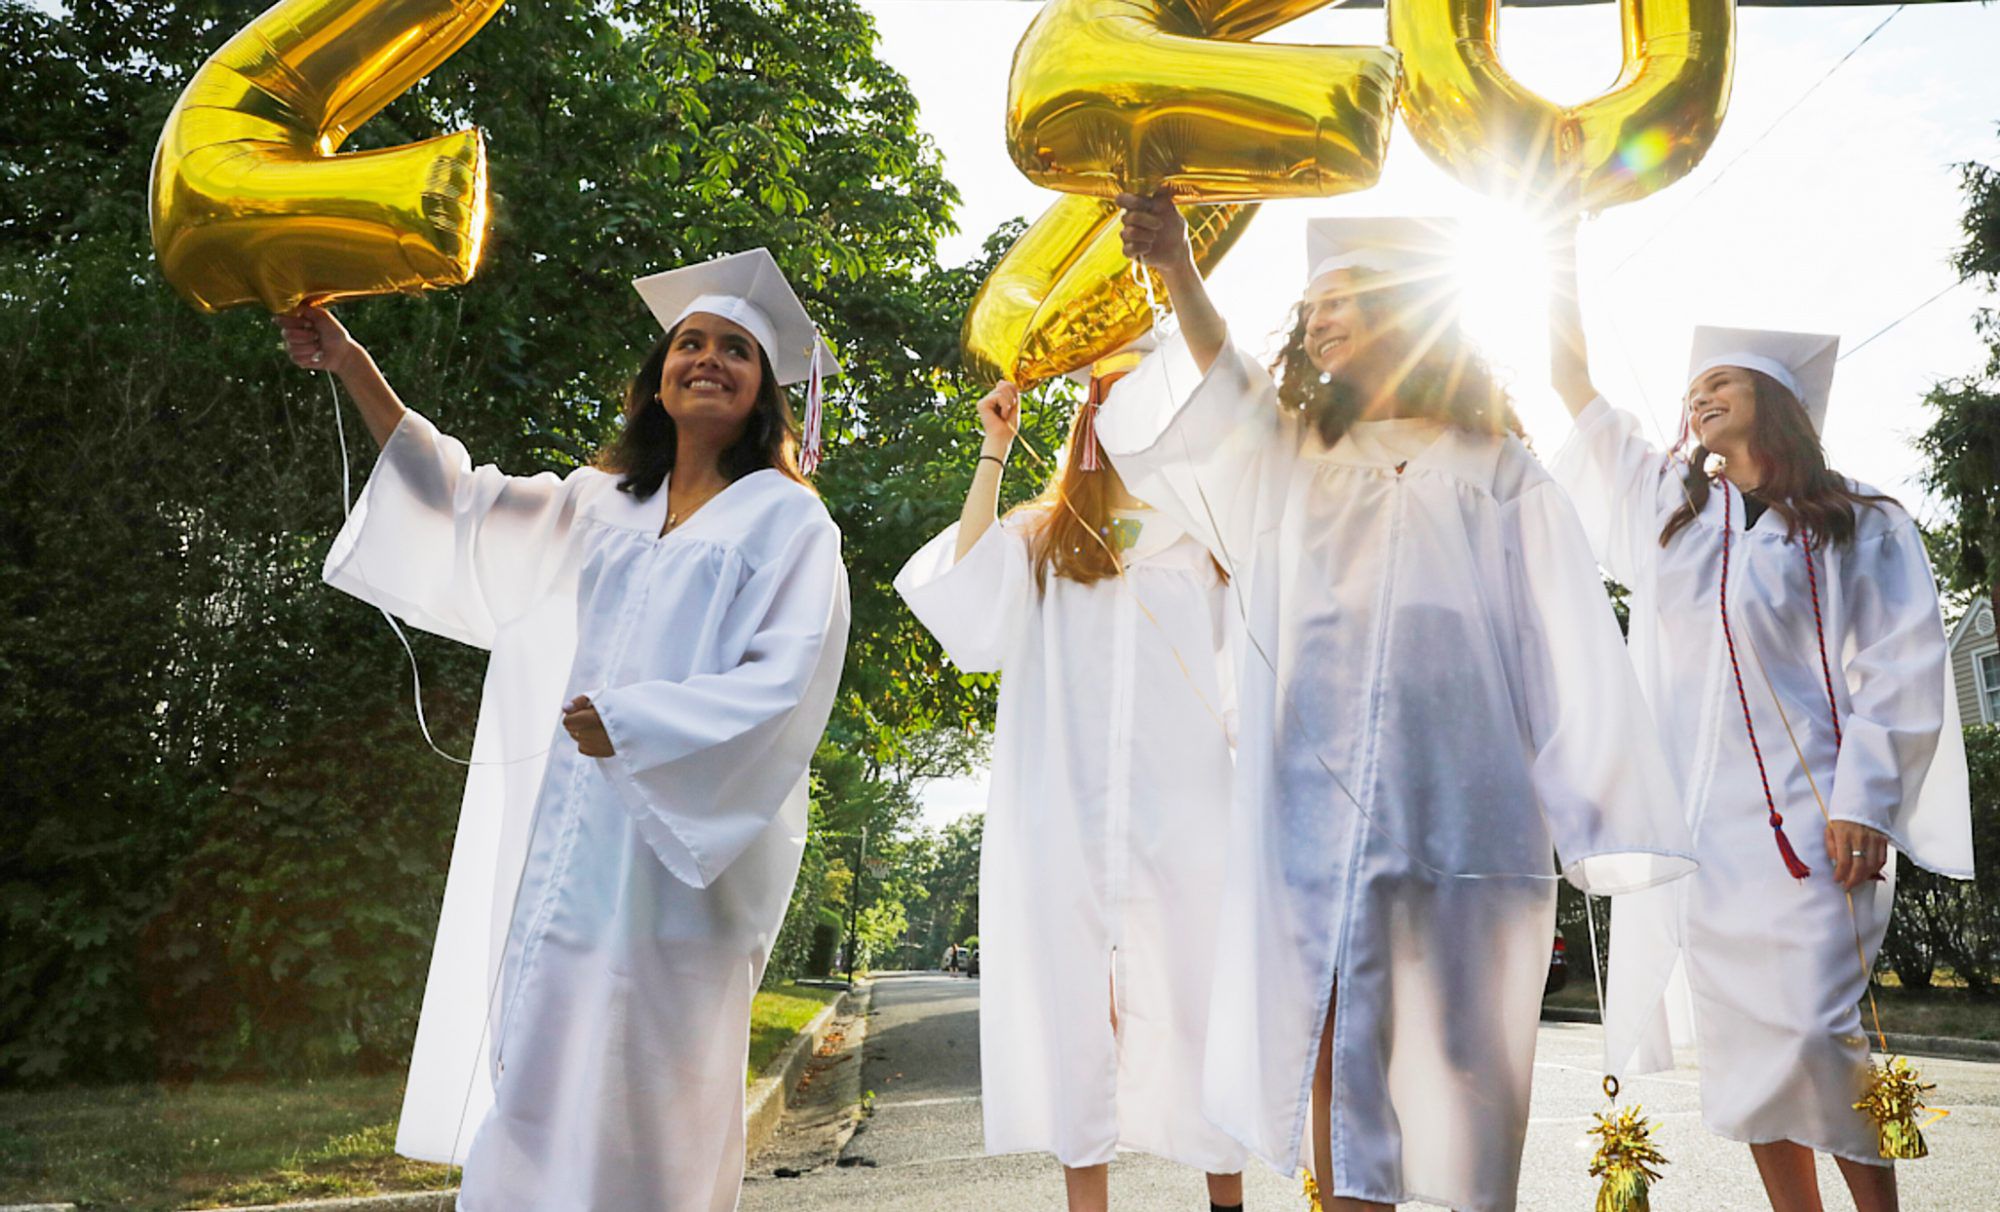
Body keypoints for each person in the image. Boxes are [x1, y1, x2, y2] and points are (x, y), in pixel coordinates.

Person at [1102, 195, 1697, 1212]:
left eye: (1344, 297)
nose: (1318, 317)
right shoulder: (1290, 453)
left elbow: (1562, 643)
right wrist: (1179, 270)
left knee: (1465, 1064)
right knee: (1335, 1051)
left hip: (1468, 810)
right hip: (1313, 807)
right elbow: (1225, 389)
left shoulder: (1498, 469)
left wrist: (1592, 808)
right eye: (1311, 303)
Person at [275, 248, 852, 1212]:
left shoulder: (789, 524)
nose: (707, 360)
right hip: (572, 847)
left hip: (679, 862)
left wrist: (635, 724)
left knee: (646, 1082)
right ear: (659, 379)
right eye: (689, 344)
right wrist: (349, 362)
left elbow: (787, 682)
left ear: (764, 394)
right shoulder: (602, 501)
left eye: (735, 352)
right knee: (543, 1058)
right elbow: (457, 498)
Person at [1548, 245, 1975, 1212]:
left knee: (1823, 1034)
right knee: (1747, 1055)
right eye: (1693, 387)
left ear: (1774, 402)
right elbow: (1571, 382)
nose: (1700, 396)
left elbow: (1902, 665)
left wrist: (1867, 801)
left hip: (1818, 821)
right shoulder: (1673, 515)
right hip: (1708, 838)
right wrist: (1558, 244)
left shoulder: (1859, 520)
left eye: (1723, 383)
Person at [894, 352, 1248, 1212]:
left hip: (1190, 810)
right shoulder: (1043, 538)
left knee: (1199, 994)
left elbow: (1246, 684)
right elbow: (968, 617)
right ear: (1091, 421)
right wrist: (994, 452)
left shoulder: (1208, 544)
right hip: (1064, 809)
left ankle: (1228, 1198)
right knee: (1070, 1005)